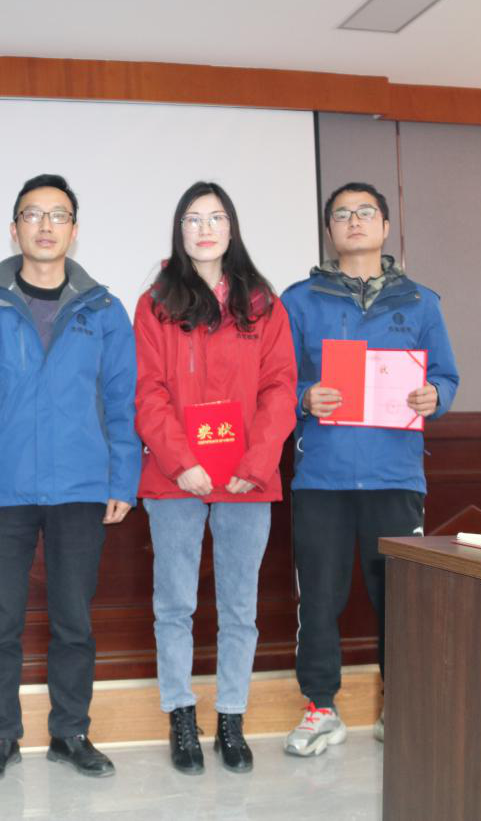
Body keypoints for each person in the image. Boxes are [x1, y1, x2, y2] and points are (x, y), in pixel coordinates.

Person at [0, 174, 140, 783]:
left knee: (73, 620)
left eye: (58, 215)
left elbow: (121, 400)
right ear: (15, 229)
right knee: (0, 620)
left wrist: (123, 478)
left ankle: (70, 732)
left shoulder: (104, 310)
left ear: (74, 231)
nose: (46, 225)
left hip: (81, 487)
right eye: (33, 214)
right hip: (3, 488)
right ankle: (0, 735)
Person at [279, 181, 459, 756]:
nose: (353, 220)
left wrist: (435, 395)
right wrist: (305, 397)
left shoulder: (421, 301)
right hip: (322, 477)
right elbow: (276, 381)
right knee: (318, 599)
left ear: (384, 225)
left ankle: (400, 704)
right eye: (341, 214)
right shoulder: (299, 300)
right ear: (329, 231)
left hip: (394, 476)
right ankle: (320, 708)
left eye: (364, 212)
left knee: (400, 601)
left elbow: (446, 376)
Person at [133, 182, 297, 774]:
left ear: (232, 229)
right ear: (179, 231)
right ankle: (181, 714)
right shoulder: (155, 303)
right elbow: (148, 392)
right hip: (176, 476)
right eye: (193, 219)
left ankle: (231, 716)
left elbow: (280, 388)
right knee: (174, 605)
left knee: (239, 608)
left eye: (216, 218)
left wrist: (256, 464)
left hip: (248, 480)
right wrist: (184, 462)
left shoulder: (264, 304)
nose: (205, 229)